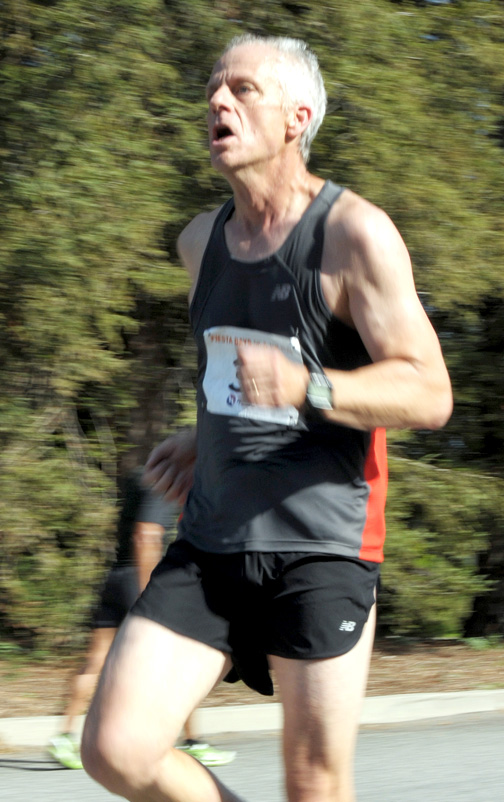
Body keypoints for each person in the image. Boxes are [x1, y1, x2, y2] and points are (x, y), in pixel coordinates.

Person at [81, 34, 453, 802]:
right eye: (214, 89)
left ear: (297, 118)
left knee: (314, 783)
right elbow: (239, 374)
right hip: (213, 540)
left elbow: (428, 392)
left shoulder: (353, 233)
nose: (217, 100)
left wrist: (306, 388)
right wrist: (206, 433)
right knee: (117, 748)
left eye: (243, 89)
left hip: (323, 543)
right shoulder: (201, 242)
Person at [49, 470, 235, 770]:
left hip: (115, 577)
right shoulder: (165, 481)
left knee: (95, 659)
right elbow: (146, 534)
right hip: (138, 578)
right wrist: (148, 591)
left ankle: (64, 737)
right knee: (178, 660)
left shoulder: (140, 476)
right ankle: (193, 742)